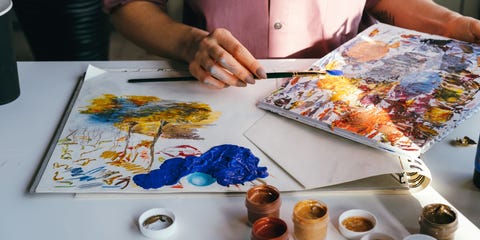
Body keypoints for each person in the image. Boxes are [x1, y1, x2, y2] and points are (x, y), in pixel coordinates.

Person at [103, 0, 480, 88]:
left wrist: (455, 25)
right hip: (216, 83)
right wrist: (189, 44)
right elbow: (126, 5)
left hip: (341, 86)